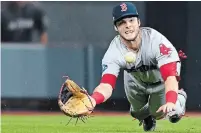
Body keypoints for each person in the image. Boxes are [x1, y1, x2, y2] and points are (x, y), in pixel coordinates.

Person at [89, 2, 187, 131]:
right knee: (136, 113)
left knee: (160, 112)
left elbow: (170, 77)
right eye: (122, 22)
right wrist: (93, 100)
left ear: (139, 22)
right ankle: (146, 117)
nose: (128, 25)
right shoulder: (114, 51)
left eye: (131, 20)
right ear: (116, 27)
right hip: (134, 79)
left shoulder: (157, 42)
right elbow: (106, 84)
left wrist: (170, 100)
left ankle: (180, 99)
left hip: (160, 81)